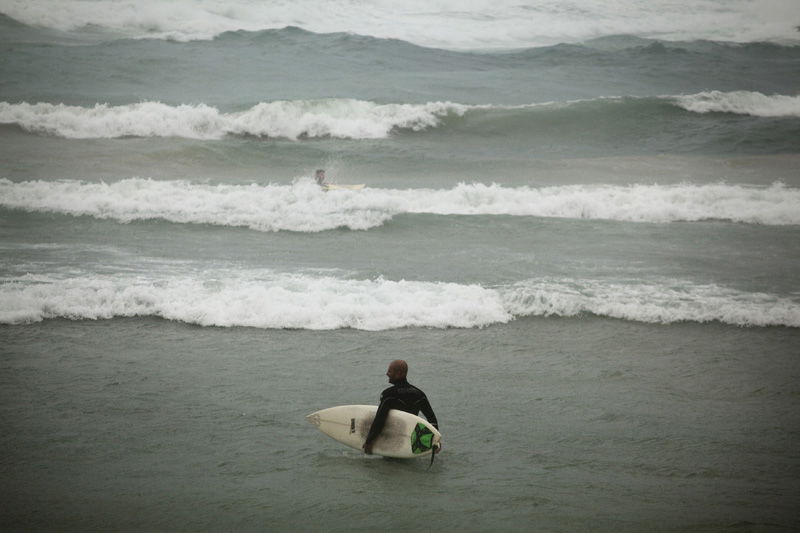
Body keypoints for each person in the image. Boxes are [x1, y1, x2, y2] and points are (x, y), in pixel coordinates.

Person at [362, 360, 439, 455]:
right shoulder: (419, 394)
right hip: (409, 442)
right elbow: (432, 419)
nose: (387, 374)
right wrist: (436, 441)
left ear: (399, 373)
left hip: (391, 440)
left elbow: (380, 419)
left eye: (390, 371)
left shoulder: (389, 394)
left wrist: (369, 441)